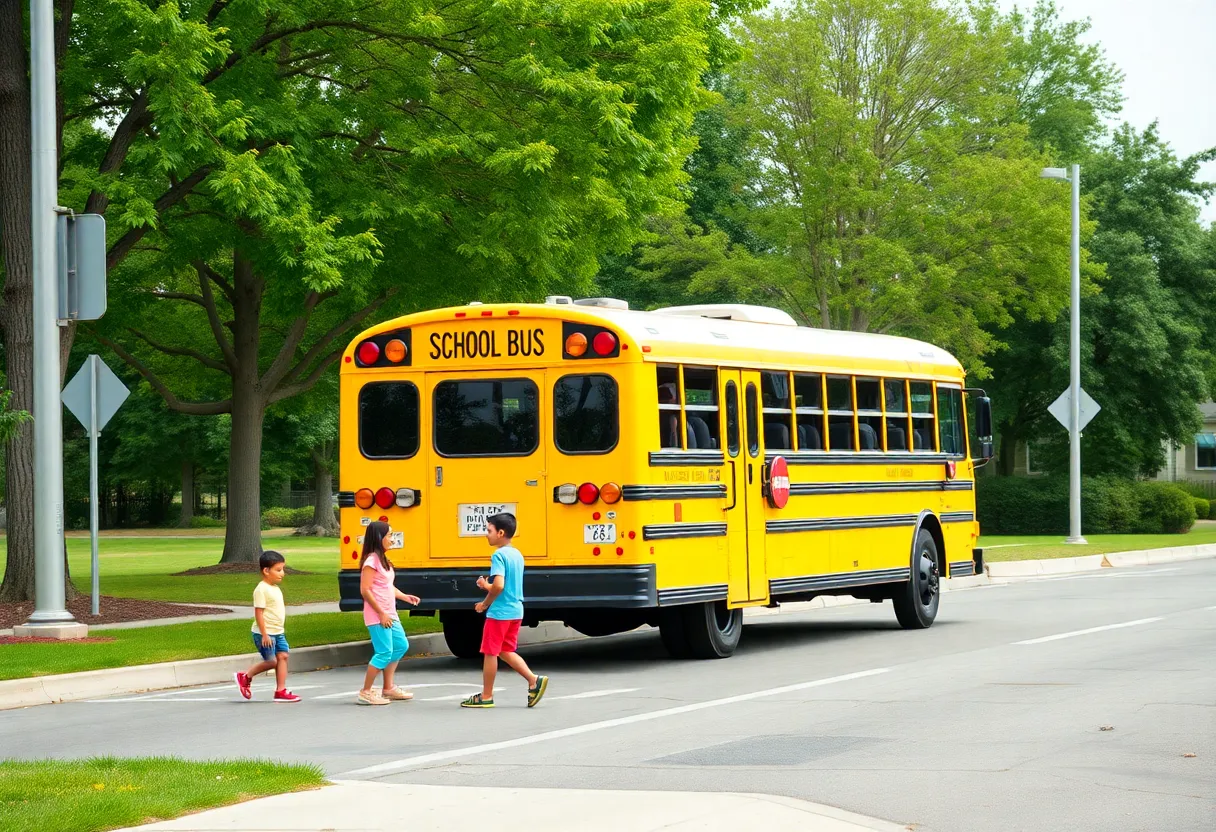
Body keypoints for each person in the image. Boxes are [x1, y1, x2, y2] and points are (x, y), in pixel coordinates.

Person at [461, 512, 549, 709]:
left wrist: (485, 600)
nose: (486, 534)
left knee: (490, 653)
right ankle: (534, 680)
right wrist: (488, 586)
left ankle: (486, 696)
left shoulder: (498, 555)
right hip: (516, 610)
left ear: (500, 532)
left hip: (500, 612)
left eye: (489, 530)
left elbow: (499, 586)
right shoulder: (516, 554)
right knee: (505, 650)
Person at [357, 521, 421, 705]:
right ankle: (366, 692)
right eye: (389, 536)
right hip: (378, 616)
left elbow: (387, 586)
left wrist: (404, 597)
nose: (392, 539)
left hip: (389, 613)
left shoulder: (383, 560)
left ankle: (388, 688)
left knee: (401, 645)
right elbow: (365, 590)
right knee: (384, 652)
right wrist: (381, 613)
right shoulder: (371, 561)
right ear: (379, 538)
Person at [234, 551, 300, 702]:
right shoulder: (261, 589)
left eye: (283, 569)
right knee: (272, 661)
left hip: (278, 632)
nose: (282, 573)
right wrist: (264, 634)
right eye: (278, 570)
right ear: (266, 571)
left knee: (283, 656)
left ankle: (281, 691)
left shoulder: (275, 588)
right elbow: (259, 613)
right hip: (265, 633)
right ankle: (245, 677)